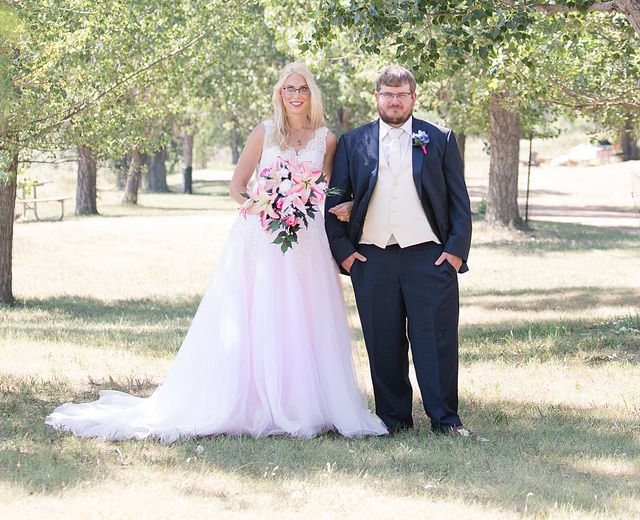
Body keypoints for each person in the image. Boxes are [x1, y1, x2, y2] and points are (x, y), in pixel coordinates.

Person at [46, 63, 386, 441]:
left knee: (305, 316)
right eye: (289, 88)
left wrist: (338, 204)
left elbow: (329, 189)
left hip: (305, 240)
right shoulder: (264, 132)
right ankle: (256, 401)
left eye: (302, 88)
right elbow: (237, 187)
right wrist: (266, 206)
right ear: (279, 93)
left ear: (312, 94)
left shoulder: (326, 139)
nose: (295, 95)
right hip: (262, 238)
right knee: (260, 314)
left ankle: (307, 404)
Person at [325, 65, 472, 436]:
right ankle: (393, 419)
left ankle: (445, 419)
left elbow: (459, 201)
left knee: (435, 341)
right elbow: (333, 199)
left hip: (429, 255)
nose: (394, 101)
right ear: (376, 97)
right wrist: (344, 252)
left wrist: (455, 251)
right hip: (372, 257)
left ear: (413, 98)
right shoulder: (352, 142)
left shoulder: (439, 138)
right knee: (383, 340)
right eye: (388, 95)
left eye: (401, 95)